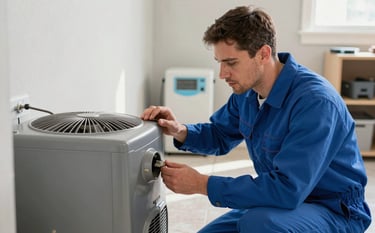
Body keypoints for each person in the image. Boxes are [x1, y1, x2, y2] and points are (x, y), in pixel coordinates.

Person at [141, 5, 371, 233]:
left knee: (259, 224)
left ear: (263, 54)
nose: (222, 74)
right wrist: (179, 129)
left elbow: (288, 189)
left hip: (333, 210)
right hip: (279, 202)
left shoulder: (316, 103)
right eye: (220, 62)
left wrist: (201, 184)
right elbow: (220, 135)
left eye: (231, 63)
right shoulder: (247, 93)